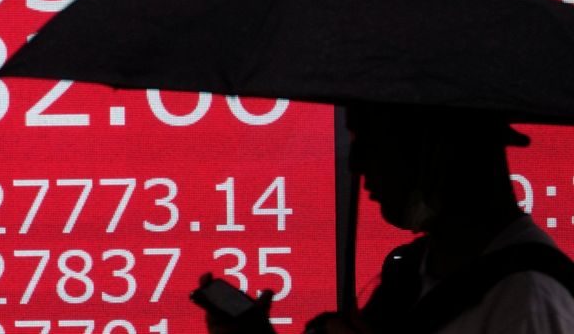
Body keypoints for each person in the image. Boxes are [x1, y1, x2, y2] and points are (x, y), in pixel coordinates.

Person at [202, 103, 574, 334]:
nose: (355, 163)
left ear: (436, 150)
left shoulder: (527, 302)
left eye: (372, 141)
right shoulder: (411, 274)